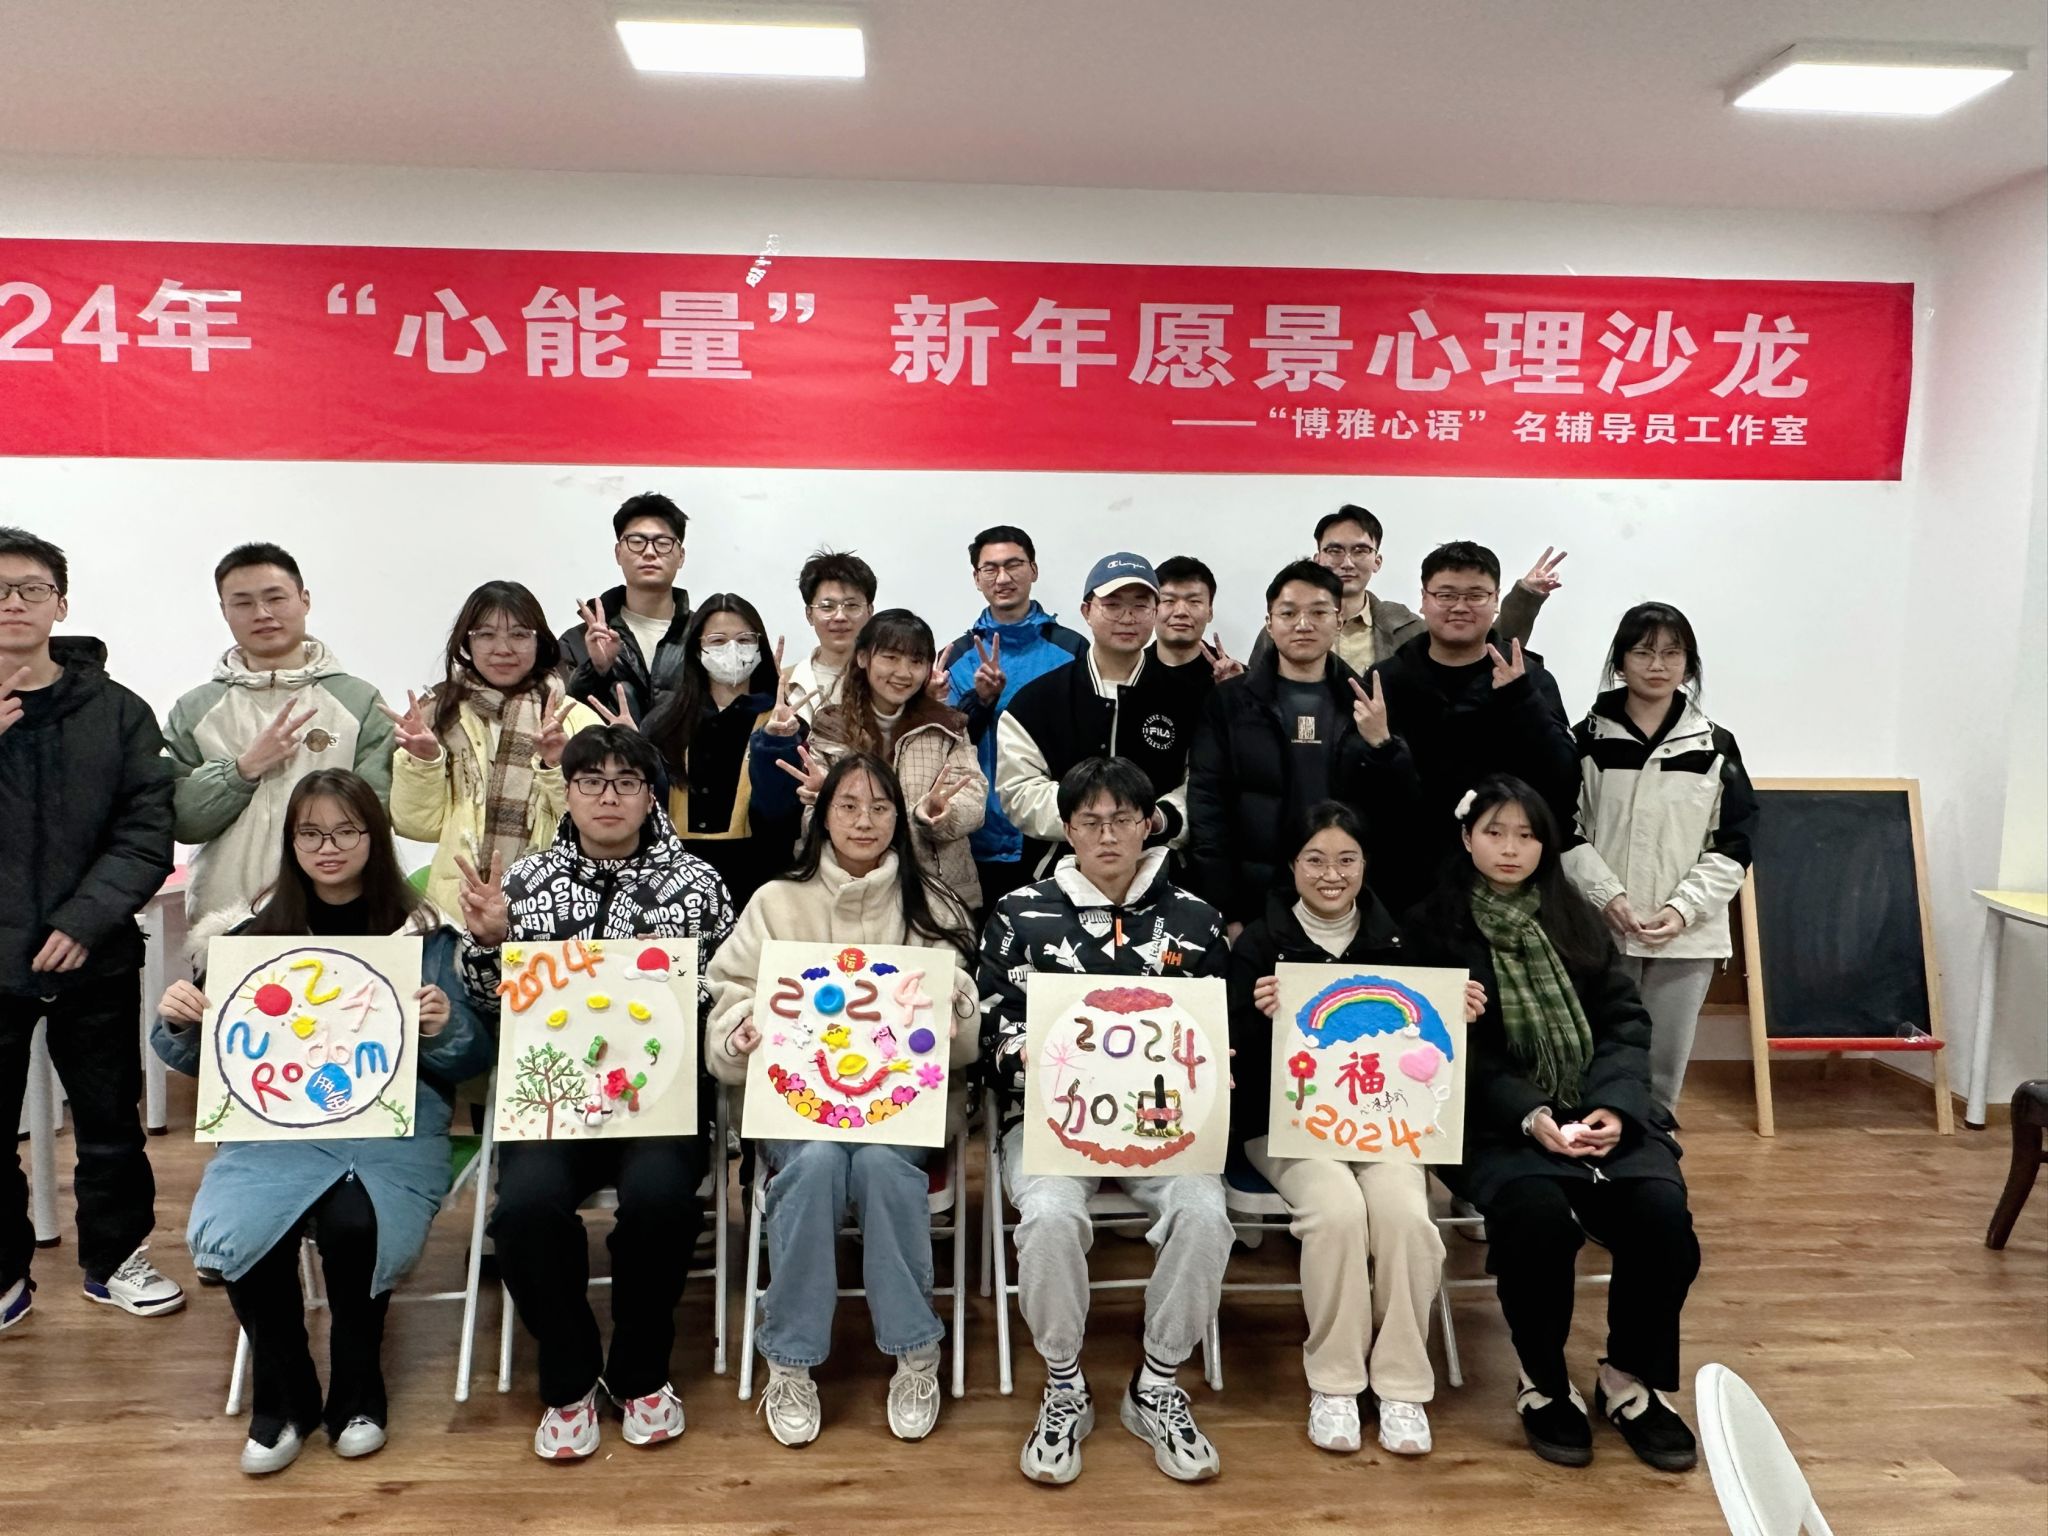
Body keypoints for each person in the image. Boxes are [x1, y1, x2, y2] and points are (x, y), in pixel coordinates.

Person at [152, 769, 492, 1473]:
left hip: (393, 1127)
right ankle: (285, 1396)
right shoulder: (250, 938)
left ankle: (359, 1387)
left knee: (354, 1223)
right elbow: (193, 1055)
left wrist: (444, 1027)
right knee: (244, 1229)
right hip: (274, 1129)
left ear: (374, 837)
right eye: (310, 833)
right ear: (291, 842)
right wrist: (180, 1020)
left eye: (345, 831)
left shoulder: (427, 938)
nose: (327, 847)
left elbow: (470, 1059)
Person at [1405, 776, 1701, 1473]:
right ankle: (1541, 1380)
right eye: (1495, 833)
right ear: (1467, 838)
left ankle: (1628, 1378)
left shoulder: (1576, 919)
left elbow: (1624, 1023)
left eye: (1527, 835)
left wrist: (1615, 1108)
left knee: (1662, 1215)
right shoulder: (1431, 926)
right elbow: (1444, 1051)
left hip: (1598, 1110)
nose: (1511, 849)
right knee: (1536, 1218)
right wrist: (1530, 1112)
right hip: (1489, 1120)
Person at [458, 724, 734, 1461]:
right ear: (569, 792)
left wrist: (684, 998)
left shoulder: (697, 884)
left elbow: (727, 989)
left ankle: (641, 1373)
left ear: (650, 797)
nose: (608, 797)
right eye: (591, 782)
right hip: (552, 1100)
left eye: (626, 783)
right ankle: (569, 1374)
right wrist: (488, 944)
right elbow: (485, 1003)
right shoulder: (524, 883)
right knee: (523, 1210)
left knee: (662, 1203)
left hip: (659, 1097)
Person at [706, 753, 981, 1446]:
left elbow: (964, 1024)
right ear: (822, 816)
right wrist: (738, 1032)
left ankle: (916, 1350)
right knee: (819, 1161)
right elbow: (729, 995)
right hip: (796, 1108)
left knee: (884, 1165)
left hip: (900, 1111)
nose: (865, 821)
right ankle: (790, 1359)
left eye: (880, 808)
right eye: (849, 806)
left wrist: (955, 1014)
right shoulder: (775, 902)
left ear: (898, 819)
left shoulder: (933, 905)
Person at [979, 757, 1234, 1485]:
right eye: (1090, 821)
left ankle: (1157, 1382)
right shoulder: (1018, 914)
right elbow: (988, 1024)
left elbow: (1220, 1026)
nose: (1108, 834)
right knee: (1049, 1216)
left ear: (1149, 824)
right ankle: (1064, 1382)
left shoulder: (1196, 919)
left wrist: (1221, 1056)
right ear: (1067, 830)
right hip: (1050, 1121)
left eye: (1123, 818)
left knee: (1206, 1213)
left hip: (1166, 1124)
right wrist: (1017, 1051)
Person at [1228, 802, 1472, 1456]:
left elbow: (1435, 1049)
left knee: (1406, 1218)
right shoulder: (1259, 944)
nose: (1331, 874)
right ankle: (1334, 1382)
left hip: (1388, 1127)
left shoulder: (1406, 939)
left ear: (1366, 863)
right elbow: (1233, 1063)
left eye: (1346, 859)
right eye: (1315, 859)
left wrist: (1463, 1013)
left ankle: (1402, 1385)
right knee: (1335, 1213)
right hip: (1289, 1128)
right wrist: (1256, 1018)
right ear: (1292, 865)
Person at [0, 526, 181, 1333]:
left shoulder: (118, 711)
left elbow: (146, 833)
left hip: (95, 956)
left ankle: (116, 1261)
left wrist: (84, 920)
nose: (13, 603)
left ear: (60, 605)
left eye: (31, 588)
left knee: (110, 1127)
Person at [1564, 603, 1758, 1113]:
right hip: (1600, 930)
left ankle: (1654, 1153)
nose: (1658, 665)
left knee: (1662, 1074)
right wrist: (1608, 896)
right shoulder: (1584, 741)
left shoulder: (1716, 745)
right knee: (1594, 1058)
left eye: (1673, 653)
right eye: (1643, 652)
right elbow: (1563, 831)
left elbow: (1735, 843)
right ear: (1620, 662)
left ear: (1689, 665)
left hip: (1686, 938)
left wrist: (1682, 909)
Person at [164, 542, 397, 948]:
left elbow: (376, 816)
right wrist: (242, 770)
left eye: (275, 598)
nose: (262, 613)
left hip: (342, 920)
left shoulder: (359, 701)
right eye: (243, 603)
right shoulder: (195, 709)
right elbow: (182, 821)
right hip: (227, 920)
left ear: (304, 600)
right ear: (224, 611)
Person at [1187, 559, 1418, 934]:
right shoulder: (1229, 703)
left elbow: (1402, 811)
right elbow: (1208, 812)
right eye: (1289, 612)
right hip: (1255, 901)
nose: (1303, 624)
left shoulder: (1369, 702)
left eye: (1319, 612)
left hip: (1347, 901)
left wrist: (1383, 744)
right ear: (1269, 622)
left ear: (1338, 621)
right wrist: (1227, 911)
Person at [1362, 540, 1579, 911]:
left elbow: (1564, 784)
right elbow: (1361, 791)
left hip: (1508, 883)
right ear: (1423, 600)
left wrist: (1521, 699)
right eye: (1446, 595)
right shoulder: (1386, 680)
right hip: (1406, 883)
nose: (1460, 607)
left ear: (1496, 601)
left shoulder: (1529, 679)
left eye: (1476, 595)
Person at [385, 581, 599, 922]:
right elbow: (417, 825)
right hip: (459, 909)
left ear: (539, 641)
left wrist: (555, 764)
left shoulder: (575, 718)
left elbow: (595, 827)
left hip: (555, 906)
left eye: (519, 635)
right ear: (467, 642)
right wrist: (425, 761)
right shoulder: (440, 714)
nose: (503, 649)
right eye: (486, 635)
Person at [750, 608, 986, 907]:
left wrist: (940, 813)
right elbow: (809, 821)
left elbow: (973, 797)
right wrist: (825, 800)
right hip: (845, 890)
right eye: (891, 657)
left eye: (916, 661)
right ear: (862, 658)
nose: (903, 672)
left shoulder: (948, 725)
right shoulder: (831, 725)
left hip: (934, 892)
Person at [996, 553, 1210, 879]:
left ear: (1155, 612)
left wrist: (1160, 817)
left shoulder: (1189, 700)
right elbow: (1019, 792)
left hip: (1159, 875)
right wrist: (1095, 818)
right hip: (1059, 875)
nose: (1127, 617)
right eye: (1112, 605)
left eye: (1140, 606)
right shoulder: (1035, 702)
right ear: (1087, 611)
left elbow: (1201, 783)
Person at [938, 526, 1086, 908]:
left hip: (1053, 833)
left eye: (1014, 565)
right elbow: (944, 746)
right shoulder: (957, 655)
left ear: (1033, 570)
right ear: (976, 578)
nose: (1002, 578)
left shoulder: (1072, 648)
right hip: (978, 836)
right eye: (990, 568)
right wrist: (981, 700)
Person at [1249, 505, 1559, 674]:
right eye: (1334, 551)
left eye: (1360, 550)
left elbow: (1485, 648)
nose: (1347, 562)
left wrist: (1525, 596)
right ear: (1318, 558)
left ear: (1377, 561)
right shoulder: (1286, 624)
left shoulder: (1404, 625)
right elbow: (1256, 690)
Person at [641, 594, 802, 910]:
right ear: (696, 649)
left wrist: (776, 744)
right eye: (717, 641)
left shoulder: (784, 722)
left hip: (760, 881)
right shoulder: (664, 723)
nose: (732, 650)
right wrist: (630, 749)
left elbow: (782, 816)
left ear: (759, 647)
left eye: (744, 640)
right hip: (673, 880)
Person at [561, 492, 693, 723]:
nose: (649, 552)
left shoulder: (702, 637)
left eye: (663, 543)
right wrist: (596, 670)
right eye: (636, 542)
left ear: (681, 556)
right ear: (618, 553)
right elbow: (566, 718)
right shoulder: (577, 642)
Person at [786, 549, 877, 722]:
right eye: (827, 607)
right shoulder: (785, 683)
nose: (840, 617)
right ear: (809, 614)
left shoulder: (889, 679)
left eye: (852, 605)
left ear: (870, 611)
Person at [1150, 555, 1244, 688]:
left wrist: (1236, 692)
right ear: (1151, 609)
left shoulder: (1237, 677)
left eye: (1194, 601)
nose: (1181, 612)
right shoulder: (1130, 669)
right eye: (1169, 600)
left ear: (1210, 612)